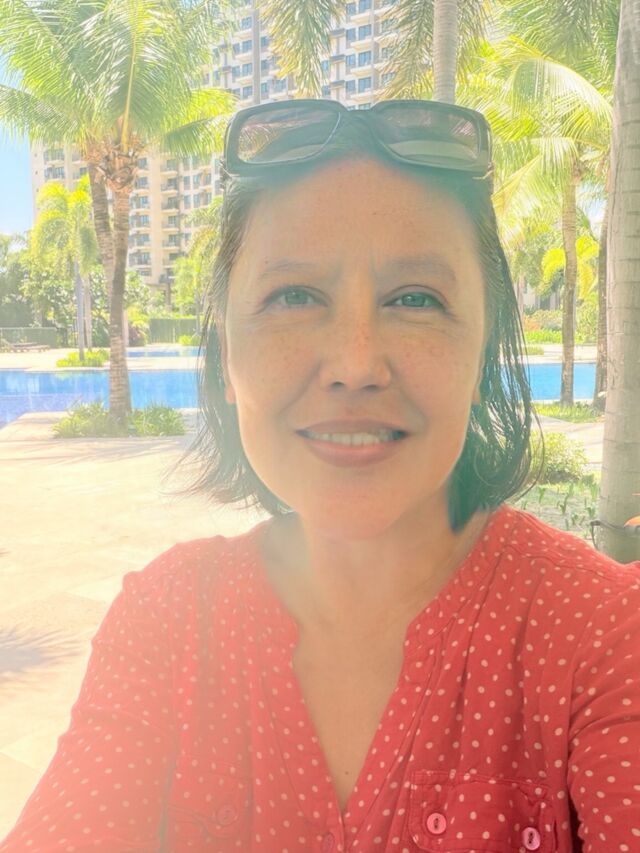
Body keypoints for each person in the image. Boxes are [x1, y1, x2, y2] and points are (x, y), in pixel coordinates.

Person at [1, 100, 639, 853]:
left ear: (482, 352)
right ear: (226, 355)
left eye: (416, 298)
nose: (356, 363)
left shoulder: (603, 633)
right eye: (294, 296)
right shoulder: (166, 624)